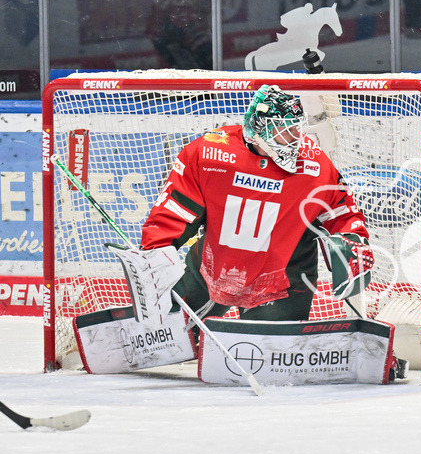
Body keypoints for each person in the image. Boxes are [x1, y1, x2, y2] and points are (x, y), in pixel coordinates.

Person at [131, 85, 373, 322]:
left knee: (271, 355)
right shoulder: (210, 153)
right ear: (258, 128)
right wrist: (154, 253)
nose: (294, 139)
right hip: (214, 268)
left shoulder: (313, 164)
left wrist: (353, 243)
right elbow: (176, 209)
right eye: (283, 130)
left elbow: (341, 212)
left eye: (296, 129)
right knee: (169, 334)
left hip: (280, 281)